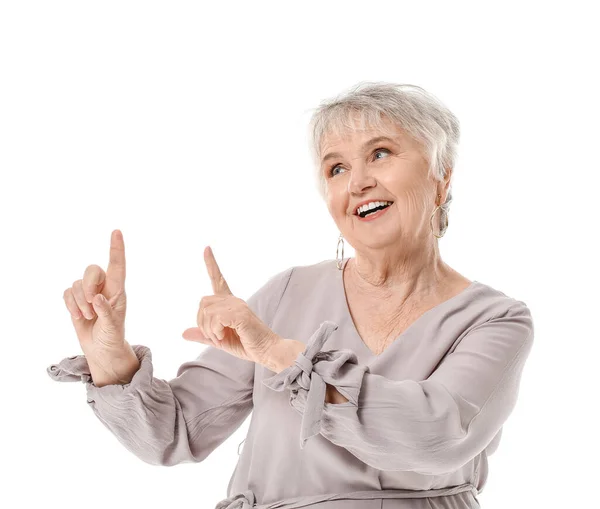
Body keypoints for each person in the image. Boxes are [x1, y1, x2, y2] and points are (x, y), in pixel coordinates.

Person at [47, 82, 534, 509]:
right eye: (336, 168)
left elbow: (435, 437)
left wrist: (280, 354)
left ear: (441, 175)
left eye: (380, 153)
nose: (358, 181)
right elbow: (174, 433)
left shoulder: (494, 320)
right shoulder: (287, 293)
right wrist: (109, 356)